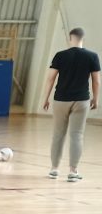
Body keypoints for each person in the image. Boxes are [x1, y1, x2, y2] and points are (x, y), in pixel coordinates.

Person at [42, 27, 100, 181]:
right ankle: (73, 172)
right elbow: (96, 81)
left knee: (58, 134)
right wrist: (96, 99)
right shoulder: (92, 56)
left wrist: (46, 98)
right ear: (83, 39)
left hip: (61, 99)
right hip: (81, 100)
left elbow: (50, 78)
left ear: (69, 39)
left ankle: (54, 169)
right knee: (77, 135)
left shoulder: (60, 55)